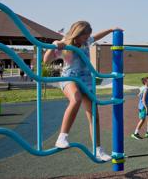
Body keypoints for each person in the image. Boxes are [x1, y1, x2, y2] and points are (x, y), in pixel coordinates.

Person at [43, 21, 121, 161]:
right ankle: (62, 137)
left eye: (87, 37)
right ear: (77, 34)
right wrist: (54, 44)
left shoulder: (85, 43)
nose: (87, 39)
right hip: (69, 78)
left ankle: (98, 150)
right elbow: (46, 60)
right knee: (76, 98)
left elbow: (96, 37)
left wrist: (110, 29)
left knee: (94, 116)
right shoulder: (65, 44)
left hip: (86, 80)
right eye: (85, 37)